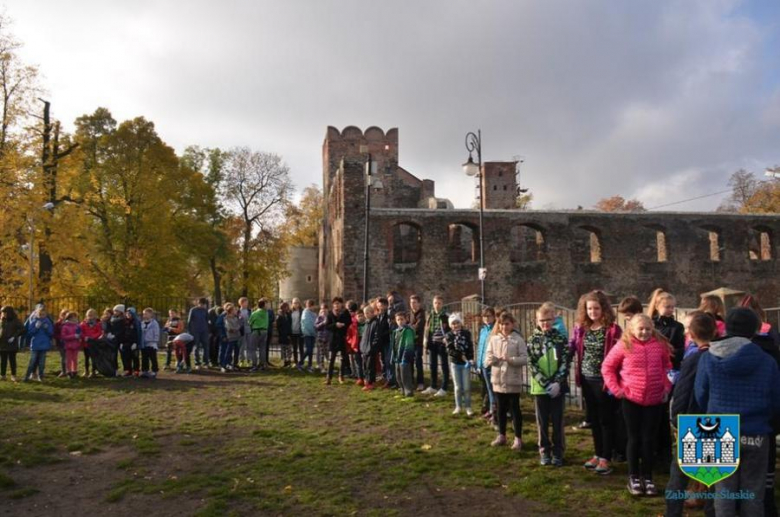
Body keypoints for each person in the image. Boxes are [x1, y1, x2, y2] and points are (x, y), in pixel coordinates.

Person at [696, 307, 780, 517]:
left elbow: (700, 395)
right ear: (755, 330)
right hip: (756, 431)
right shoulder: (767, 361)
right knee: (753, 493)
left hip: (719, 427)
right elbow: (775, 399)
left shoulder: (707, 358)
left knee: (723, 492)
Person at [602, 314, 672, 497]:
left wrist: (666, 386)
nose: (644, 332)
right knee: (634, 439)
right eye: (640, 329)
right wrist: (617, 389)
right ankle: (633, 476)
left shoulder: (659, 345)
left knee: (649, 439)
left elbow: (667, 367)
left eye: (648, 329)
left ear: (653, 329)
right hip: (631, 399)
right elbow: (607, 367)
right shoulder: (623, 345)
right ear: (632, 329)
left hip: (655, 400)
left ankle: (648, 477)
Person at [665, 311, 717, 517]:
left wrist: (677, 419)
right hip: (717, 421)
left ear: (691, 335)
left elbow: (682, 392)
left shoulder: (694, 360)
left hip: (694, 421)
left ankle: (673, 513)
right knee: (712, 479)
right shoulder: (722, 357)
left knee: (678, 478)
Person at [570, 290, 623, 475]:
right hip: (586, 379)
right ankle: (597, 453)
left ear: (604, 309)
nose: (593, 312)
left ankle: (606, 457)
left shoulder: (613, 329)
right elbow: (573, 347)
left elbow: (620, 355)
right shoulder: (582, 328)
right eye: (589, 308)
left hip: (604, 381)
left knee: (606, 420)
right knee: (593, 419)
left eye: (596, 308)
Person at [528, 303, 572, 466]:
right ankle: (544, 451)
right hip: (540, 388)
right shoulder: (532, 340)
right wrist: (545, 383)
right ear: (537, 321)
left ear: (554, 319)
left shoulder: (560, 338)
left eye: (548, 320)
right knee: (542, 421)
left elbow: (565, 362)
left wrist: (558, 382)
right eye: (542, 320)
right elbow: (532, 363)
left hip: (557, 387)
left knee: (558, 420)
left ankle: (558, 452)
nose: (545, 323)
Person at [646, 289, 684, 470]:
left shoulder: (677, 327)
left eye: (672, 307)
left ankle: (665, 452)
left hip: (669, 371)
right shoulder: (651, 325)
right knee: (653, 414)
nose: (670, 310)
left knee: (664, 413)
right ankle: (652, 450)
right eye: (667, 307)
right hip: (652, 371)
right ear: (659, 307)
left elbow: (678, 350)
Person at [487, 312, 527, 449]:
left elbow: (524, 358)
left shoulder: (518, 339)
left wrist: (511, 360)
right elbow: (488, 357)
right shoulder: (494, 339)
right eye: (502, 324)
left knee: (515, 409)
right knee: (500, 409)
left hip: (512, 380)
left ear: (512, 324)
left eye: (507, 324)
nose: (504, 327)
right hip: (498, 380)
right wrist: (494, 359)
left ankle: (518, 438)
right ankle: (501, 435)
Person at [444, 312, 474, 416]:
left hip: (465, 364)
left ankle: (468, 407)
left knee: (466, 387)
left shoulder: (466, 333)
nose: (455, 325)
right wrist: (460, 355)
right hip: (455, 363)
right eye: (453, 323)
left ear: (461, 323)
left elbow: (470, 347)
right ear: (450, 325)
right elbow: (449, 350)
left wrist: (470, 358)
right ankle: (458, 406)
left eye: (457, 323)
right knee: (457, 387)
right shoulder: (449, 335)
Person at [422, 295, 450, 397]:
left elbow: (449, 330)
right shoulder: (430, 315)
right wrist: (425, 340)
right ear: (433, 304)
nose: (437, 305)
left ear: (442, 304)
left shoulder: (446, 316)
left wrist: (447, 339)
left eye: (439, 303)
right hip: (432, 343)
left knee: (444, 366)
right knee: (432, 365)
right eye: (435, 303)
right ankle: (433, 386)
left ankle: (444, 387)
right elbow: (427, 328)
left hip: (442, 344)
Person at [476, 307, 497, 423]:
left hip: (491, 364)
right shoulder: (483, 330)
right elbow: (480, 347)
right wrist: (478, 363)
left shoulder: (495, 330)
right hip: (482, 364)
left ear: (494, 317)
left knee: (492, 390)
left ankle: (494, 412)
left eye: (489, 316)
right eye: (484, 316)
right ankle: (490, 409)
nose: (487, 318)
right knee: (487, 390)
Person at [325, 297, 351, 385]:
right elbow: (327, 326)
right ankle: (329, 377)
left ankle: (341, 376)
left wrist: (343, 325)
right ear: (333, 305)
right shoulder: (330, 314)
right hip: (333, 339)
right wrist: (335, 325)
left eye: (338, 303)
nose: (337, 305)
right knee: (331, 359)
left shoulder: (345, 313)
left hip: (343, 338)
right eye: (335, 303)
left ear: (341, 304)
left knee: (343, 358)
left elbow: (349, 323)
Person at [24, 306, 53, 382]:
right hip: (35, 344)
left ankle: (40, 376)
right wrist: (36, 327)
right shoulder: (34, 321)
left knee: (42, 363)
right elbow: (30, 333)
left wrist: (47, 328)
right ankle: (27, 376)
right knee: (32, 361)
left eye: (43, 314)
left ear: (45, 314)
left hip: (44, 345)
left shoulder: (47, 322)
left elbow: (51, 333)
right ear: (36, 314)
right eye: (40, 314)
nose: (41, 316)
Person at [392, 311, 416, 398]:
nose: (400, 321)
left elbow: (408, 345)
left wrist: (405, 358)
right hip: (397, 357)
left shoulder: (408, 331)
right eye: (398, 320)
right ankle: (402, 391)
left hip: (404, 358)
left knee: (405, 376)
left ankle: (409, 393)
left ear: (406, 320)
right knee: (398, 375)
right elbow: (394, 344)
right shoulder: (396, 331)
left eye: (402, 319)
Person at [0, 306, 24, 382]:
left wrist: (14, 336)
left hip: (12, 344)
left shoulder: (15, 320)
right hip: (2, 344)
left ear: (9, 313)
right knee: (3, 361)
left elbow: (22, 329)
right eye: (2, 312)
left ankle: (13, 375)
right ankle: (2, 375)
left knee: (12, 361)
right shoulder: (1, 321)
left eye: (4, 312)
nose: (3, 314)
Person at [375, 297, 394, 388]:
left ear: (386, 306)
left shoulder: (388, 316)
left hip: (387, 340)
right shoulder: (378, 316)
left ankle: (390, 379)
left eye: (382, 305)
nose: (380, 307)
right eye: (378, 305)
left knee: (388, 360)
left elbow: (390, 328)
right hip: (381, 341)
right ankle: (385, 376)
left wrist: (382, 334)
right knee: (383, 359)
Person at [408, 294, 426, 391]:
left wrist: (410, 327)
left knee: (418, 362)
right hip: (410, 341)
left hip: (418, 342)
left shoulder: (421, 314)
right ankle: (410, 381)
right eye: (411, 302)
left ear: (419, 303)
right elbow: (408, 324)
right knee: (410, 362)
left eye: (414, 302)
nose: (412, 304)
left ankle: (420, 382)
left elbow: (418, 327)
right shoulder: (410, 313)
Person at [188, 298, 211, 369]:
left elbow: (208, 320)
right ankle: (197, 363)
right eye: (202, 304)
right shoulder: (193, 310)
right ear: (199, 303)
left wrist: (208, 331)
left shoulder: (205, 311)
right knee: (196, 347)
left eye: (204, 304)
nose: (203, 306)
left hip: (204, 331)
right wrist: (190, 332)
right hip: (195, 331)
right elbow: (189, 321)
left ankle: (206, 362)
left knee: (206, 347)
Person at [360, 304, 379, 391]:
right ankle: (367, 381)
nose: (366, 315)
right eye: (365, 313)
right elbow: (364, 336)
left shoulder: (375, 322)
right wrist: (362, 346)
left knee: (370, 366)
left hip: (370, 349)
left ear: (372, 313)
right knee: (365, 366)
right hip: (364, 348)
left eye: (368, 313)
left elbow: (376, 336)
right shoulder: (366, 323)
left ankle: (370, 383)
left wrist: (372, 347)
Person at [80, 309, 102, 378]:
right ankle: (86, 371)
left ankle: (93, 371)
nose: (90, 317)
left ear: (95, 316)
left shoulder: (98, 323)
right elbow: (81, 332)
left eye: (92, 315)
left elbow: (99, 332)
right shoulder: (83, 324)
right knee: (86, 358)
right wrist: (84, 337)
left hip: (94, 343)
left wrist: (92, 337)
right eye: (89, 315)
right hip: (86, 343)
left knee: (94, 358)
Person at [248, 299, 270, 371]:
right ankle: (262, 364)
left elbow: (250, 322)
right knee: (262, 348)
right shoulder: (266, 313)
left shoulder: (255, 313)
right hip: (264, 331)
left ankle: (254, 365)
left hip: (256, 331)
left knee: (252, 349)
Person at [346, 301, 364, 384]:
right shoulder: (352, 325)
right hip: (356, 345)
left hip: (365, 345)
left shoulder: (367, 324)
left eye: (361, 316)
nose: (360, 317)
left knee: (365, 362)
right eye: (359, 316)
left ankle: (366, 377)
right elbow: (349, 336)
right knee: (358, 362)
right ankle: (360, 377)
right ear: (356, 317)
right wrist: (351, 343)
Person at [60, 312, 82, 379]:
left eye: (75, 317)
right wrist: (73, 336)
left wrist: (80, 336)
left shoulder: (77, 326)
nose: (75, 319)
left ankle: (74, 371)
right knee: (69, 359)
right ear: (69, 318)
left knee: (75, 359)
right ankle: (69, 371)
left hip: (76, 345)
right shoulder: (65, 326)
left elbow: (81, 333)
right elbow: (64, 336)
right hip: (68, 346)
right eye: (73, 318)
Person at [221, 304, 242, 372]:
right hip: (231, 337)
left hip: (237, 336)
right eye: (234, 310)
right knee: (229, 352)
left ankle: (235, 364)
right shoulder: (226, 318)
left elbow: (239, 325)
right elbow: (229, 328)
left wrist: (237, 328)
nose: (236, 311)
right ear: (231, 311)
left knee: (237, 351)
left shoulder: (236, 318)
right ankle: (224, 365)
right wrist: (236, 329)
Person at [106, 306, 126, 375]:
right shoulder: (112, 319)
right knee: (113, 355)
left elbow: (122, 330)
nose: (115, 312)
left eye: (116, 311)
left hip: (121, 339)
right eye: (114, 311)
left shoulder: (123, 320)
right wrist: (109, 333)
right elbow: (109, 326)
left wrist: (116, 334)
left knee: (123, 355)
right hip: (113, 340)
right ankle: (115, 369)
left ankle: (126, 369)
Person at [140, 308, 160, 378]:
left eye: (146, 314)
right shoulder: (142, 323)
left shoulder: (154, 323)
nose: (144, 315)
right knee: (144, 357)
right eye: (143, 314)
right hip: (144, 343)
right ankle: (145, 370)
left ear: (150, 314)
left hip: (151, 343)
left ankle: (154, 370)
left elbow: (156, 332)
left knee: (153, 357)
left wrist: (154, 341)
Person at [300, 299, 317, 372]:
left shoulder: (313, 314)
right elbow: (306, 324)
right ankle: (300, 363)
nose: (311, 307)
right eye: (310, 305)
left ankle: (310, 365)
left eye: (312, 306)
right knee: (309, 349)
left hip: (313, 334)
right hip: (307, 333)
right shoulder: (305, 312)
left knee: (311, 351)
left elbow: (315, 323)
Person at [122, 309, 140, 377]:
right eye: (127, 314)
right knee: (127, 357)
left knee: (135, 357)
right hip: (126, 342)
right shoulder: (125, 322)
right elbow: (123, 333)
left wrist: (136, 342)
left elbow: (137, 333)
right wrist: (122, 342)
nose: (128, 315)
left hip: (133, 343)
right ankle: (128, 370)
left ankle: (136, 370)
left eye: (130, 314)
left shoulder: (136, 322)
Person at [53, 308, 69, 378]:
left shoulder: (70, 324)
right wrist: (60, 337)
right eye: (63, 314)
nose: (64, 316)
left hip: (69, 343)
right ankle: (64, 371)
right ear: (60, 315)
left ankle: (70, 370)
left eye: (66, 314)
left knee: (69, 357)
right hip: (61, 343)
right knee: (63, 357)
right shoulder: (58, 324)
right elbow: (55, 333)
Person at [277, 302, 293, 368]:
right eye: (286, 307)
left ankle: (288, 360)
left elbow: (289, 324)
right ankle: (284, 361)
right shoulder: (280, 316)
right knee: (283, 348)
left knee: (289, 348)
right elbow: (279, 326)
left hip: (288, 333)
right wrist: (283, 333)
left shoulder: (288, 314)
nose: (287, 308)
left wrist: (289, 333)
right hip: (283, 334)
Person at [315, 303, 329, 373]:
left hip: (327, 338)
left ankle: (327, 366)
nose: (324, 311)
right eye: (322, 309)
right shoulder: (319, 318)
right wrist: (323, 323)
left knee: (326, 352)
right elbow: (316, 326)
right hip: (320, 338)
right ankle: (322, 367)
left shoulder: (329, 317)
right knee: (321, 353)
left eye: (325, 309)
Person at [290, 298, 304, 367]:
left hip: (300, 331)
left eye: (297, 303)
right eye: (294, 303)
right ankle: (295, 362)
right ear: (292, 304)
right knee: (294, 348)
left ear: (299, 303)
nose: (296, 304)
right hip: (293, 332)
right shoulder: (290, 312)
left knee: (301, 347)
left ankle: (302, 362)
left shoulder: (302, 311)